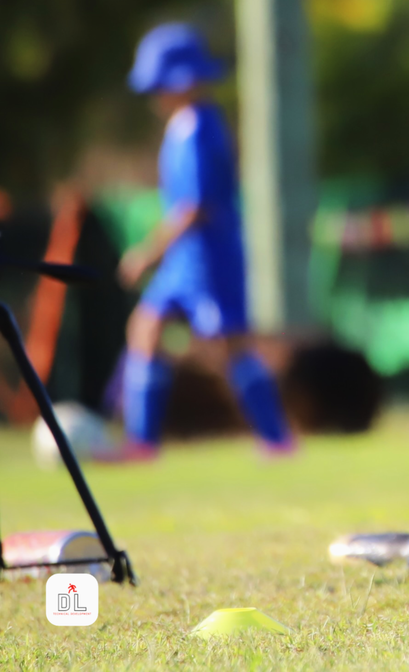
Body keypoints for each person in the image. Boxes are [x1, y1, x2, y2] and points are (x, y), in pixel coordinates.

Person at [112, 23, 294, 459]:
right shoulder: (180, 127)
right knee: (146, 326)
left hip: (208, 257)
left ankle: (277, 439)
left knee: (230, 347)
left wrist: (148, 252)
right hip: (183, 260)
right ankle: (141, 441)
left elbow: (195, 207)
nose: (155, 96)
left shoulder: (199, 128)